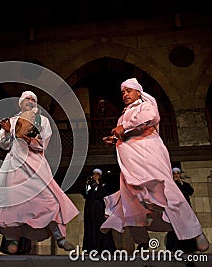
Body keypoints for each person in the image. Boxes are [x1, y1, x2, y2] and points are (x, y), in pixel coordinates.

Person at [101, 78, 209, 252]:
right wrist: (115, 138)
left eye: (129, 91)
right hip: (130, 162)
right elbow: (125, 131)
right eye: (123, 92)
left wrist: (124, 127)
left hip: (148, 155)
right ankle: (142, 242)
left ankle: (195, 232)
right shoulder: (123, 114)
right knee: (131, 200)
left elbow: (150, 118)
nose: (125, 95)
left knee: (167, 193)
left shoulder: (147, 104)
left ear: (138, 92)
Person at [0, 91, 79, 254]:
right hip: (14, 165)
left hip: (35, 165)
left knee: (50, 199)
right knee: (12, 203)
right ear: (21, 102)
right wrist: (7, 131)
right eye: (28, 99)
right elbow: (2, 144)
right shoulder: (12, 120)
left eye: (33, 100)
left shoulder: (42, 120)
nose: (31, 102)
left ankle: (59, 237)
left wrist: (27, 137)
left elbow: (42, 145)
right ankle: (12, 239)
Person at [81, 168, 116, 253]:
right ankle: (90, 248)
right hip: (90, 212)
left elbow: (103, 195)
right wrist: (88, 185)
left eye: (97, 174)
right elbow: (85, 194)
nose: (94, 176)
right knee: (91, 229)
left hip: (100, 211)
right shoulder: (90, 186)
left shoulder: (103, 185)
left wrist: (98, 184)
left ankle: (104, 248)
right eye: (94, 174)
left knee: (100, 229)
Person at [165, 167, 197, 253]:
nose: (176, 175)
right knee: (174, 230)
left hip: (185, 211)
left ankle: (188, 249)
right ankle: (174, 248)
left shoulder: (185, 185)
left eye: (177, 174)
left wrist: (181, 184)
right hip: (174, 211)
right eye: (174, 174)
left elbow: (190, 192)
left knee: (187, 229)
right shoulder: (169, 186)